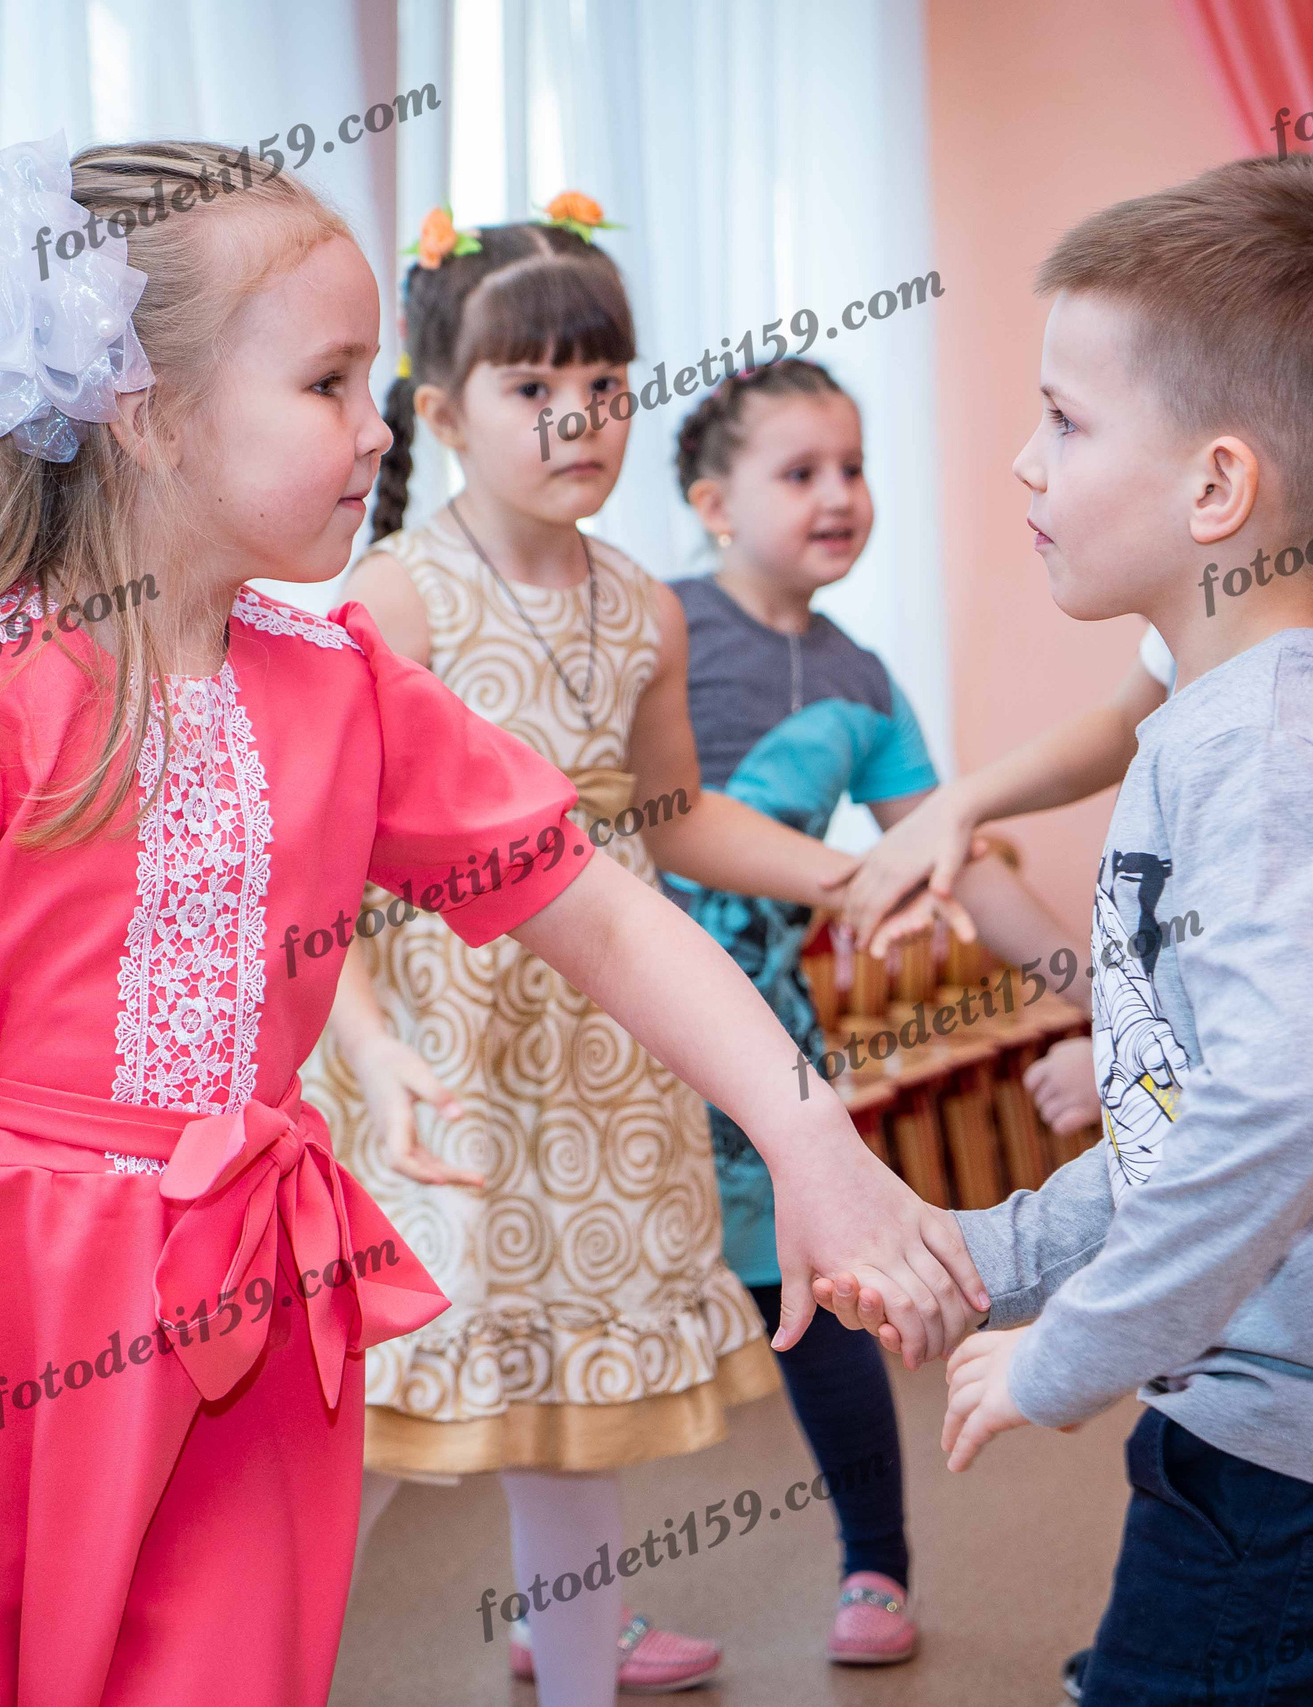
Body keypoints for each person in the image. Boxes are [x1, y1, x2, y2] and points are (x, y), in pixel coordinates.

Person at [0, 141, 983, 1707]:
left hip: (240, 1339)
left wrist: (807, 1134)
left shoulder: (342, 690)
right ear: (147, 412)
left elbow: (609, 921)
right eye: (331, 383)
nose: (378, 430)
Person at [821, 157, 1313, 1705]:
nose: (1025, 463)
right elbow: (1190, 1122)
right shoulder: (1234, 726)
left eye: (1067, 421)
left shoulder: (1272, 759)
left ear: (1218, 488)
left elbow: (1290, 1103)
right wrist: (988, 1251)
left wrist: (1069, 1344)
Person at [301, 204, 971, 1704]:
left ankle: (585, 1673)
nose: (577, 415)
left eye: (603, 380)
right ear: (441, 409)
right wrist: (369, 1039)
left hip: (609, 1046)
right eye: (532, 384)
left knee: (569, 1411)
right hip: (445, 1051)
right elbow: (317, 864)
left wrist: (850, 872)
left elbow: (668, 818)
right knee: (391, 1409)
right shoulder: (394, 596)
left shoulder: (644, 607)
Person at [661, 355, 1096, 1666]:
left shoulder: (860, 676)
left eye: (853, 468)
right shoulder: (656, 627)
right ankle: (569, 1596)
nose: (841, 494)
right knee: (597, 1313)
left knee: (807, 1297)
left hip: (765, 1049)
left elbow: (953, 856)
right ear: (713, 501)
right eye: (800, 472)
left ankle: (876, 1566)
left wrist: (1094, 992)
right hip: (612, 1033)